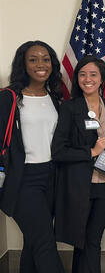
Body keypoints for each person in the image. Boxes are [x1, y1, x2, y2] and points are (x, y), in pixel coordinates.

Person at [51, 56, 105, 273]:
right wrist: (91, 151)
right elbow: (58, 151)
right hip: (81, 186)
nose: (87, 79)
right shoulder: (69, 109)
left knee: (91, 238)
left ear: (101, 79)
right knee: (83, 240)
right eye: (82, 74)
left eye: (93, 74)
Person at [0, 41, 64, 273]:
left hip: (50, 177)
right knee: (45, 241)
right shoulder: (8, 98)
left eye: (46, 59)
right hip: (23, 178)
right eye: (33, 59)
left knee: (34, 241)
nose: (40, 64)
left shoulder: (54, 98)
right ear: (23, 63)